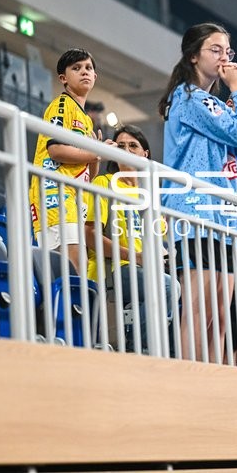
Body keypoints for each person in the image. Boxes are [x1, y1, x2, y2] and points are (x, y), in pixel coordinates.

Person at [157, 22, 237, 363]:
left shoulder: (214, 103)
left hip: (224, 215)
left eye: (227, 52)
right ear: (193, 56)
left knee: (219, 315)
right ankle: (190, 381)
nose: (223, 58)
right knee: (198, 311)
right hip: (195, 213)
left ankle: (217, 382)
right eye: (215, 50)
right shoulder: (189, 98)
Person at [83, 125, 173, 353]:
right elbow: (90, 234)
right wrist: (135, 256)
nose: (126, 150)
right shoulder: (104, 183)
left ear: (146, 154)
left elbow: (157, 242)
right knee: (167, 287)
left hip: (143, 269)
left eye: (133, 145)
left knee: (176, 288)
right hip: (114, 267)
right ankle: (140, 349)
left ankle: (161, 350)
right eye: (121, 145)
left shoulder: (150, 194)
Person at [29, 48, 111, 270]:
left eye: (89, 68)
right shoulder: (62, 105)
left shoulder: (86, 121)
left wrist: (95, 154)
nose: (84, 72)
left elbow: (89, 175)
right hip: (54, 194)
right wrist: (97, 152)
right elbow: (55, 149)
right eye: (76, 68)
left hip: (74, 198)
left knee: (78, 270)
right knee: (72, 270)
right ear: (63, 78)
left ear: (95, 77)